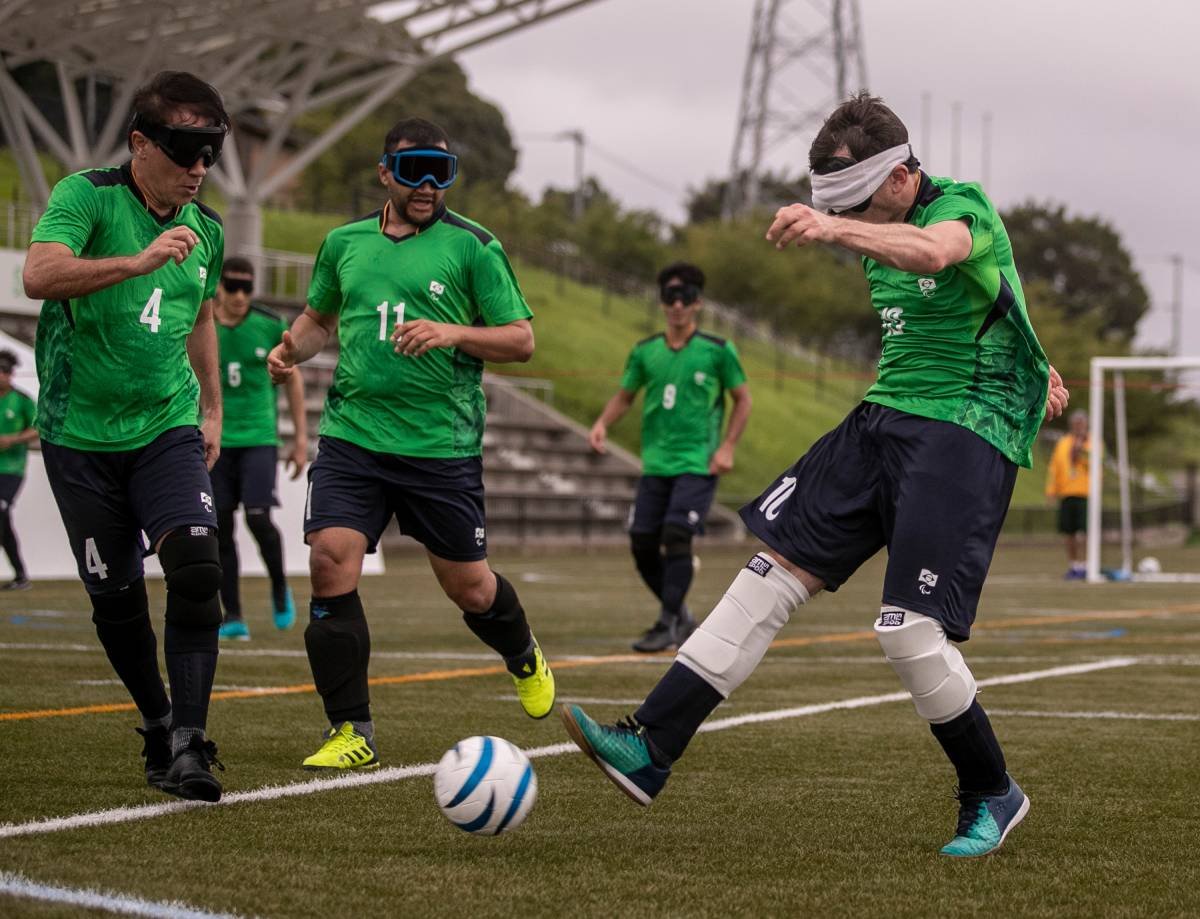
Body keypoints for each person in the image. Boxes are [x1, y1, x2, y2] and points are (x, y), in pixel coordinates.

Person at [562, 92, 1070, 858]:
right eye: (840, 210)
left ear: (902, 178)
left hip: (965, 429)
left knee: (908, 636)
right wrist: (1040, 360)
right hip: (883, 417)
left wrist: (833, 226)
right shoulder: (876, 228)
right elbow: (990, 298)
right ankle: (648, 744)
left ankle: (992, 791)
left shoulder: (964, 207)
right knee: (768, 572)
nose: (853, 224)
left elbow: (943, 256)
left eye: (861, 205)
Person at [268, 117, 555, 771]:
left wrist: (453, 334)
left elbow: (520, 338)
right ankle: (351, 730)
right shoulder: (342, 243)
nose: (427, 184)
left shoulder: (475, 247)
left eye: (441, 171)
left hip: (439, 446)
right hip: (353, 437)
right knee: (329, 560)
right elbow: (318, 319)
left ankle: (522, 652)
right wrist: (289, 350)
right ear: (384, 173)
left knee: (471, 590)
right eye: (413, 169)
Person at [23, 71, 230, 801]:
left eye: (212, 151)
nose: (199, 167)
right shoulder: (86, 196)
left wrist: (211, 406)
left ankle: (190, 746)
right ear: (141, 142)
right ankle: (155, 718)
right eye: (185, 149)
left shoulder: (206, 230)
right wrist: (133, 262)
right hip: (78, 435)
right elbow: (38, 274)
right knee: (116, 601)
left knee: (200, 572)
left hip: (164, 426)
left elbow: (202, 314)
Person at [589, 263, 751, 652]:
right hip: (656, 464)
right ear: (661, 302)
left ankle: (666, 623)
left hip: (698, 462)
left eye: (686, 297)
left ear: (698, 303)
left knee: (676, 536)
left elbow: (742, 399)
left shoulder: (717, 350)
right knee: (642, 542)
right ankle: (680, 616)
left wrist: (727, 446)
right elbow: (626, 395)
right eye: (670, 297)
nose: (678, 305)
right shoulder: (645, 352)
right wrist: (601, 424)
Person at [212, 255, 307, 639]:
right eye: (232, 286)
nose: (239, 295)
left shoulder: (270, 324)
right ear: (218, 286)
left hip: (258, 438)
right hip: (216, 439)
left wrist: (300, 439)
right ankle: (232, 615)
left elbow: (294, 378)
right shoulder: (200, 323)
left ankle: (280, 585)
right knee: (219, 526)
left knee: (257, 518)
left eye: (246, 288)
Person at [0, 349, 38, 590]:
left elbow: (38, 427)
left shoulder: (22, 400)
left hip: (11, 468)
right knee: (2, 520)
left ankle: (20, 572)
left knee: (1, 509)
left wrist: (12, 439)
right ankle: (20, 575)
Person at [1045, 410, 1090, 579]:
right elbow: (1055, 467)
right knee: (1069, 533)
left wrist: (1082, 450)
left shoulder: (1092, 442)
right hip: (1066, 493)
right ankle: (1074, 565)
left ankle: (1086, 565)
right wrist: (1051, 490)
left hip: (1085, 494)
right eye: (1076, 424)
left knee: (1084, 532)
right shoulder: (1063, 443)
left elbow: (1096, 466)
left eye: (1081, 424)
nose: (1078, 427)